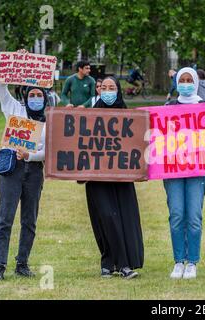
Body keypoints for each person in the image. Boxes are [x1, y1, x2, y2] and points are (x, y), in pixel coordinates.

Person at [0, 50, 47, 281]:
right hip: (12, 169)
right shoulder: (13, 108)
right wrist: (13, 61)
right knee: (5, 218)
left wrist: (30, 156)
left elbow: (48, 151)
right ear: (25, 94)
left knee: (29, 220)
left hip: (34, 172)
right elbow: (1, 86)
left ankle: (22, 263)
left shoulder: (48, 119)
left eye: (39, 94)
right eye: (32, 93)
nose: (36, 97)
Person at [85, 76, 144, 279]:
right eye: (105, 87)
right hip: (97, 178)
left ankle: (124, 264)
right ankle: (108, 260)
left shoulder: (129, 117)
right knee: (105, 218)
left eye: (112, 87)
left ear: (118, 90)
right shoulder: (88, 117)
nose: (108, 91)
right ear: (99, 90)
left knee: (123, 218)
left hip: (122, 177)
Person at [164, 67, 205, 280]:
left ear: (196, 81)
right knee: (177, 215)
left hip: (198, 170)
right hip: (173, 170)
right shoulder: (169, 107)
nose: (186, 83)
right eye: (182, 79)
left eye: (190, 79)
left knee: (194, 217)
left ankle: (192, 262)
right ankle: (178, 261)